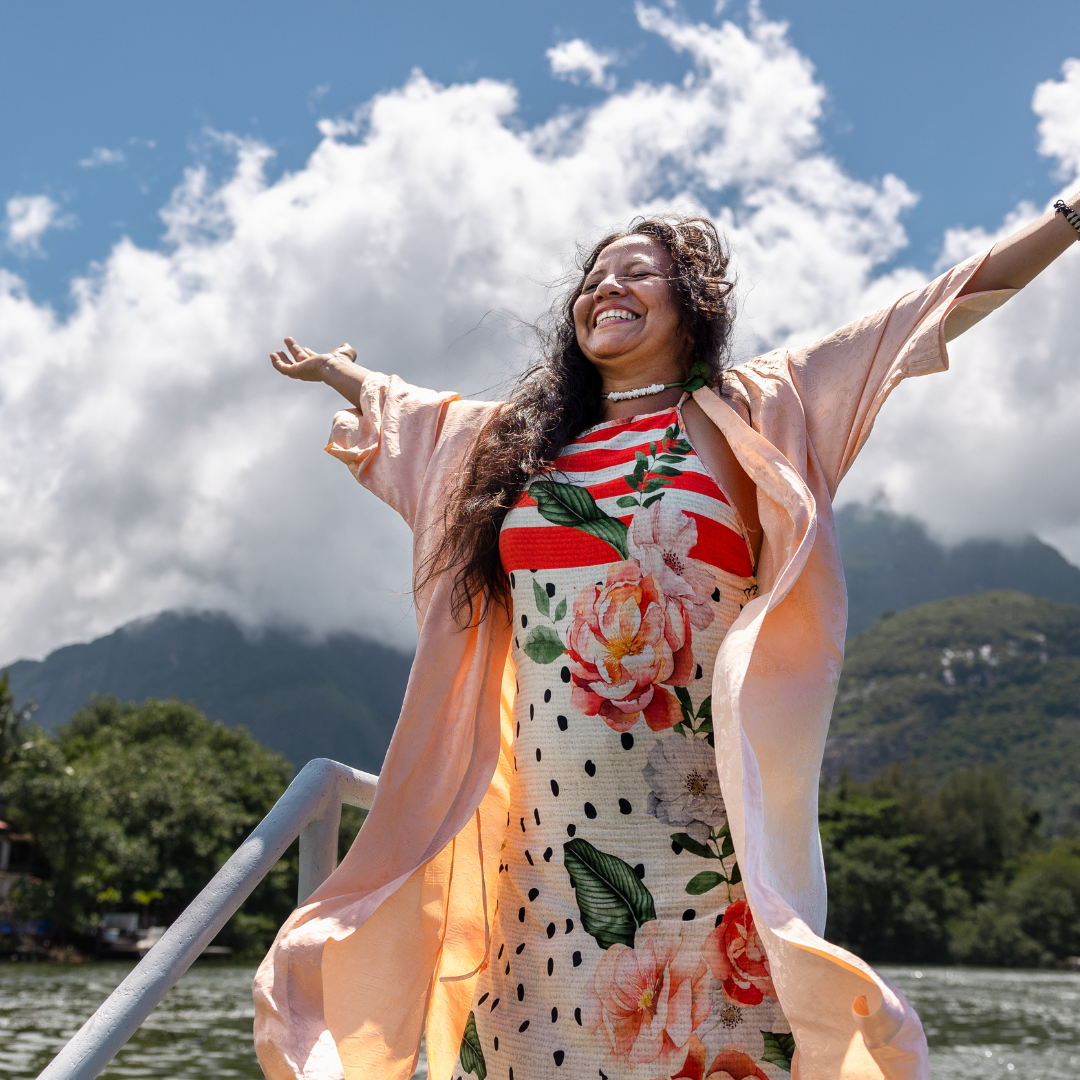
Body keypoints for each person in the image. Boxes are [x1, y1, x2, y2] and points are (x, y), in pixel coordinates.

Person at [253, 199, 1080, 1080]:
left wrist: (1067, 218)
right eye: (593, 278)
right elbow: (418, 414)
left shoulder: (762, 409)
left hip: (707, 866)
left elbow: (936, 309)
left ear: (694, 303)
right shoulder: (511, 445)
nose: (606, 288)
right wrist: (346, 375)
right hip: (541, 872)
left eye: (637, 273)